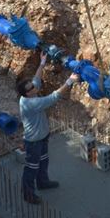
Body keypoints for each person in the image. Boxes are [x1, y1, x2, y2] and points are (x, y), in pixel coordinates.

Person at [17, 52, 81, 204]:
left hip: (42, 136)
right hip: (33, 141)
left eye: (32, 86)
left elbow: (36, 79)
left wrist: (42, 62)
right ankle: (28, 194)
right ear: (27, 93)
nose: (34, 87)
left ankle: (43, 182)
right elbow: (54, 97)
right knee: (31, 167)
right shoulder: (31, 103)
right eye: (31, 88)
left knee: (43, 161)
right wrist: (70, 81)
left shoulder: (31, 93)